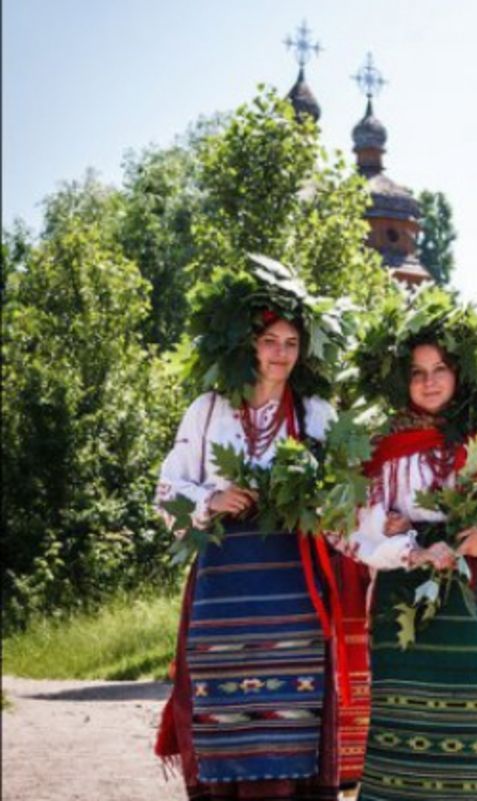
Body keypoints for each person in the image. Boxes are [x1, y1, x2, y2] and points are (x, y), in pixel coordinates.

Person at [153, 254, 346, 800]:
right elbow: (166, 494)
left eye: (290, 342)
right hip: (225, 587)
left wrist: (317, 501)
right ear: (248, 346)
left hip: (292, 587)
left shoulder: (315, 413)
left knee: (293, 715)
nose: (280, 353)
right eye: (269, 341)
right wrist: (212, 498)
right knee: (223, 714)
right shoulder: (209, 409)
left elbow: (341, 499)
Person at [344, 285, 477, 801]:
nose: (429, 381)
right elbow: (348, 528)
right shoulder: (382, 445)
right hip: (403, 603)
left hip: (470, 602)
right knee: (402, 737)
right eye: (417, 372)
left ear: (459, 373)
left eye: (439, 368)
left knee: (470, 731)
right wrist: (398, 537)